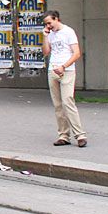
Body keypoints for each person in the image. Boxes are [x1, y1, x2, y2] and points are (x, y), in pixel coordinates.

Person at [42, 10, 87, 147]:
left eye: (50, 22)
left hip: (67, 70)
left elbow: (77, 53)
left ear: (57, 19)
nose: (48, 26)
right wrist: (44, 37)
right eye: (46, 24)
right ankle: (63, 135)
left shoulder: (68, 32)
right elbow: (46, 52)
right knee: (58, 105)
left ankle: (80, 135)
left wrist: (63, 66)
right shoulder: (49, 34)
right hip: (53, 70)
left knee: (68, 101)